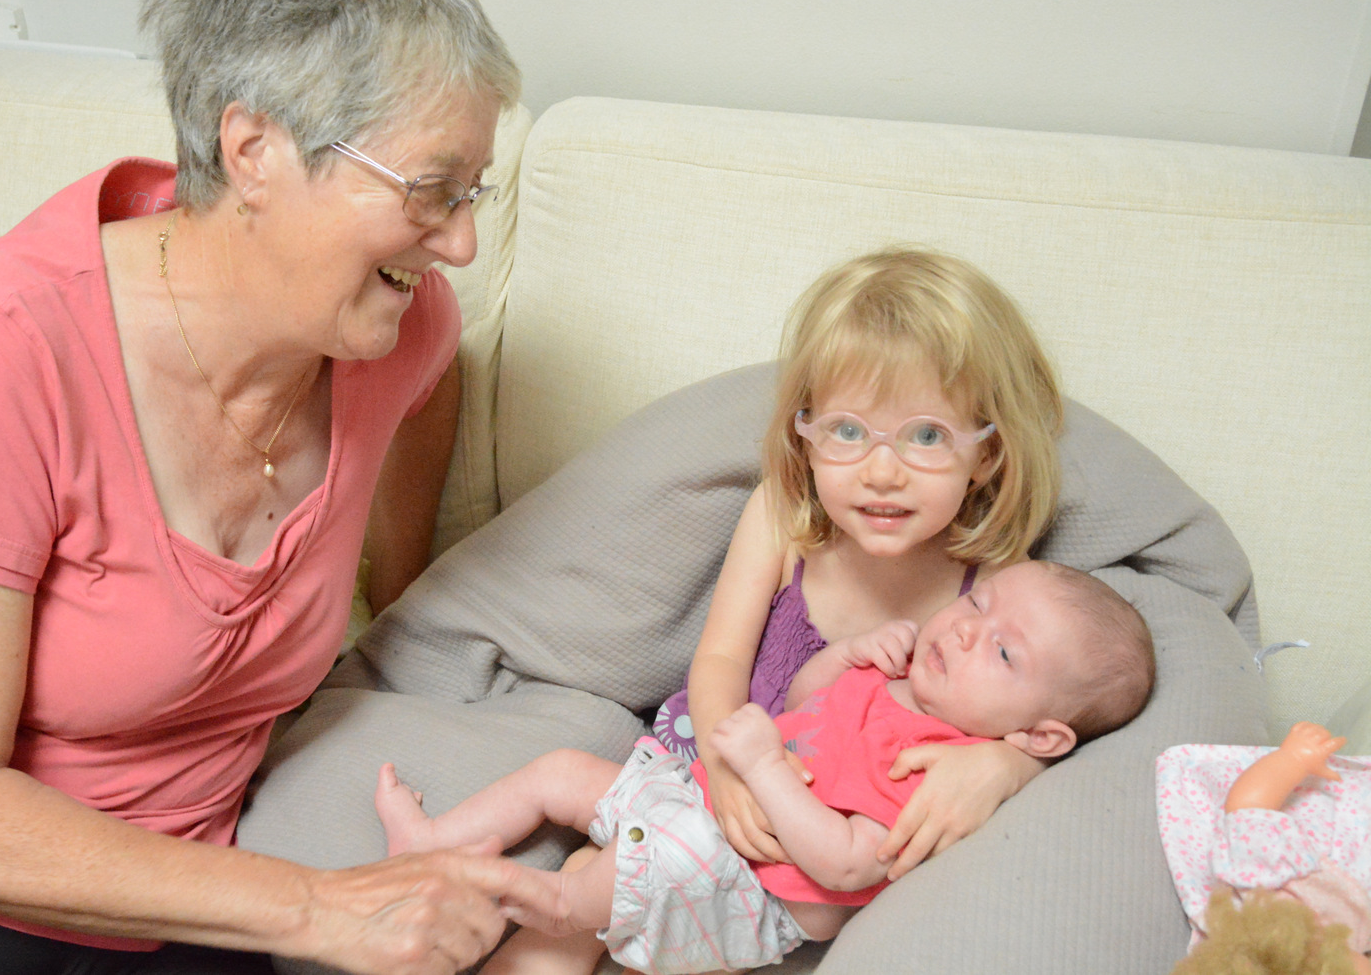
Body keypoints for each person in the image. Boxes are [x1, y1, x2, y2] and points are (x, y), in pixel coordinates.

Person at [0, 0, 567, 974]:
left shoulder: (396, 325)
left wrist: (398, 602)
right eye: (430, 190)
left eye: (471, 195)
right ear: (254, 151)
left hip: (169, 899)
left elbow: (429, 385)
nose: (460, 242)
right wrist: (319, 907)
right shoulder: (4, 341)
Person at [376, 560, 1155, 975]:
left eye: (1005, 651)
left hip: (743, 886)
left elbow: (846, 864)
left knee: (594, 882)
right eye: (979, 605)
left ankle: (500, 905)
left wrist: (762, 765)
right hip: (698, 802)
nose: (964, 632)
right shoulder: (903, 677)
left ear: (1040, 734)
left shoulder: (942, 766)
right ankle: (434, 843)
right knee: (561, 771)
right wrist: (849, 657)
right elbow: (808, 702)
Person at [651, 247, 1065, 875]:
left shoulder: (998, 586)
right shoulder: (782, 516)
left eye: (927, 436)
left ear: (986, 453)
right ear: (806, 436)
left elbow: (1056, 705)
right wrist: (722, 766)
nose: (882, 473)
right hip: (719, 765)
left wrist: (1007, 765)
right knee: (597, 875)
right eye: (848, 431)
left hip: (831, 843)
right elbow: (721, 659)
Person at [1158, 722, 1371, 974]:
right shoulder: (1353, 941)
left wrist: (1294, 758)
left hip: (1335, 814)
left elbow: (1248, 807)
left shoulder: (1266, 890)